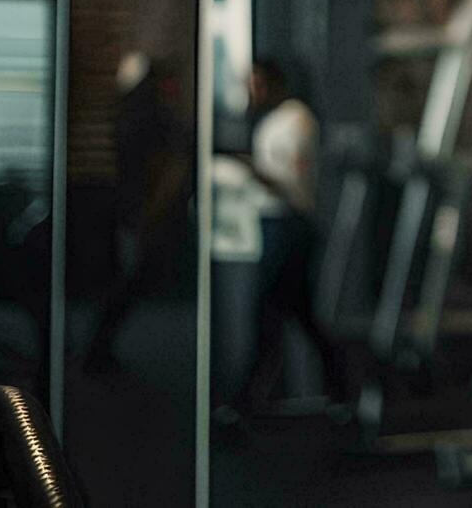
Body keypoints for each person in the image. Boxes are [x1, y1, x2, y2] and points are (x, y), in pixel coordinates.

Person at [220, 57, 346, 414]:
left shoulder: (296, 120)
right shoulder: (276, 120)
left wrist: (246, 167)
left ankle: (246, 400)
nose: (252, 90)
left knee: (269, 313)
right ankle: (340, 387)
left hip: (289, 225)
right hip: (276, 224)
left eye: (259, 82)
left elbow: (290, 183)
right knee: (295, 315)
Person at [84, 54, 189, 373]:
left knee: (128, 282)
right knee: (127, 282)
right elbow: (166, 169)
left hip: (134, 208)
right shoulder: (151, 118)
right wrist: (149, 212)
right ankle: (98, 350)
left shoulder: (133, 114)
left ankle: (98, 349)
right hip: (139, 209)